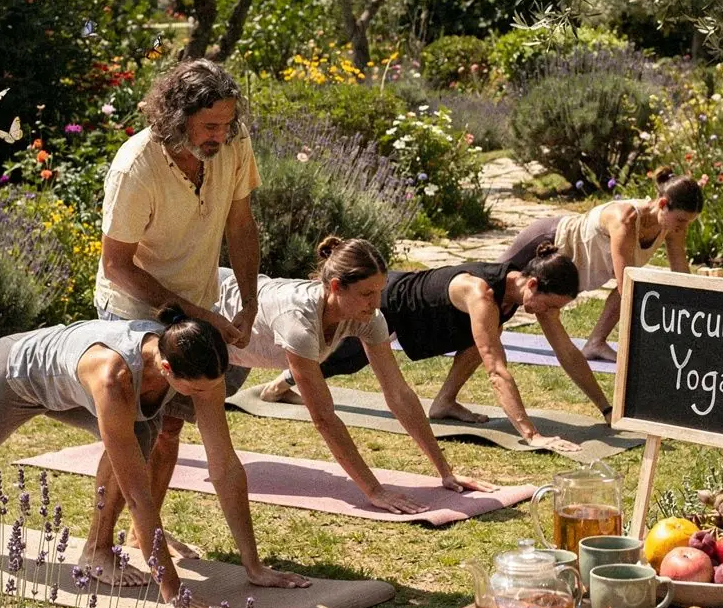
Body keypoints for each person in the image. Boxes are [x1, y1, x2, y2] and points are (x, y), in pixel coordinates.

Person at [0, 307, 309, 603]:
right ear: (165, 368)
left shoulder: (200, 365)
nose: (203, 396)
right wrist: (171, 589)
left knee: (142, 433)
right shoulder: (114, 376)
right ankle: (98, 551)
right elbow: (137, 497)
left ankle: (96, 552)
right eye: (194, 390)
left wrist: (254, 565)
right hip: (14, 376)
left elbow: (224, 466)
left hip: (71, 391)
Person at [93, 58, 262, 537]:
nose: (220, 135)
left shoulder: (234, 145)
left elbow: (241, 224)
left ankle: (147, 536)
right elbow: (116, 266)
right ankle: (98, 545)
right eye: (209, 125)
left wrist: (248, 302)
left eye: (227, 124)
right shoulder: (135, 167)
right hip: (131, 306)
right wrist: (197, 313)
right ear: (176, 118)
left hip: (196, 300)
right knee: (134, 430)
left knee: (171, 427)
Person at [216, 236, 499, 514]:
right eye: (366, 294)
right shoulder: (298, 322)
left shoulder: (369, 318)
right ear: (337, 287)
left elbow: (398, 393)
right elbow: (323, 418)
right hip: (211, 302)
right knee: (173, 423)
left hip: (233, 345)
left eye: (379, 291)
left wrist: (445, 472)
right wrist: (375, 491)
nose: (375, 303)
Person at [261, 245, 610, 455]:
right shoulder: (483, 295)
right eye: (550, 305)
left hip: (428, 314)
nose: (550, 313)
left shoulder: (525, 294)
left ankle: (443, 402)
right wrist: (532, 435)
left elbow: (568, 352)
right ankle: (281, 385)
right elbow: (496, 370)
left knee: (484, 337)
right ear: (531, 283)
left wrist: (607, 409)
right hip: (396, 302)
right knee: (344, 358)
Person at [502, 168, 705, 363]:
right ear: (662, 204)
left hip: (569, 269)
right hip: (548, 239)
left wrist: (697, 315)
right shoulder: (625, 219)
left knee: (633, 283)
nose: (683, 227)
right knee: (494, 288)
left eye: (689, 222)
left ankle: (595, 343)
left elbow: (682, 276)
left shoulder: (673, 226)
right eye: (681, 220)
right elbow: (624, 285)